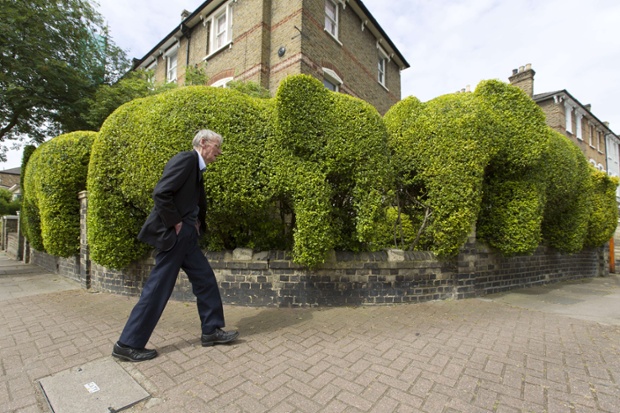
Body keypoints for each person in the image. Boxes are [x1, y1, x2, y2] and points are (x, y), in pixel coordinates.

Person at [112, 129, 239, 362]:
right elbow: (161, 193)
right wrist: (176, 223)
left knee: (205, 279)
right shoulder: (186, 160)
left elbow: (188, 200)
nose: (219, 152)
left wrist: (195, 223)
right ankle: (127, 343)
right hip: (176, 236)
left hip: (188, 237)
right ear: (203, 143)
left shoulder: (196, 168)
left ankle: (211, 331)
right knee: (158, 288)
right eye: (217, 146)